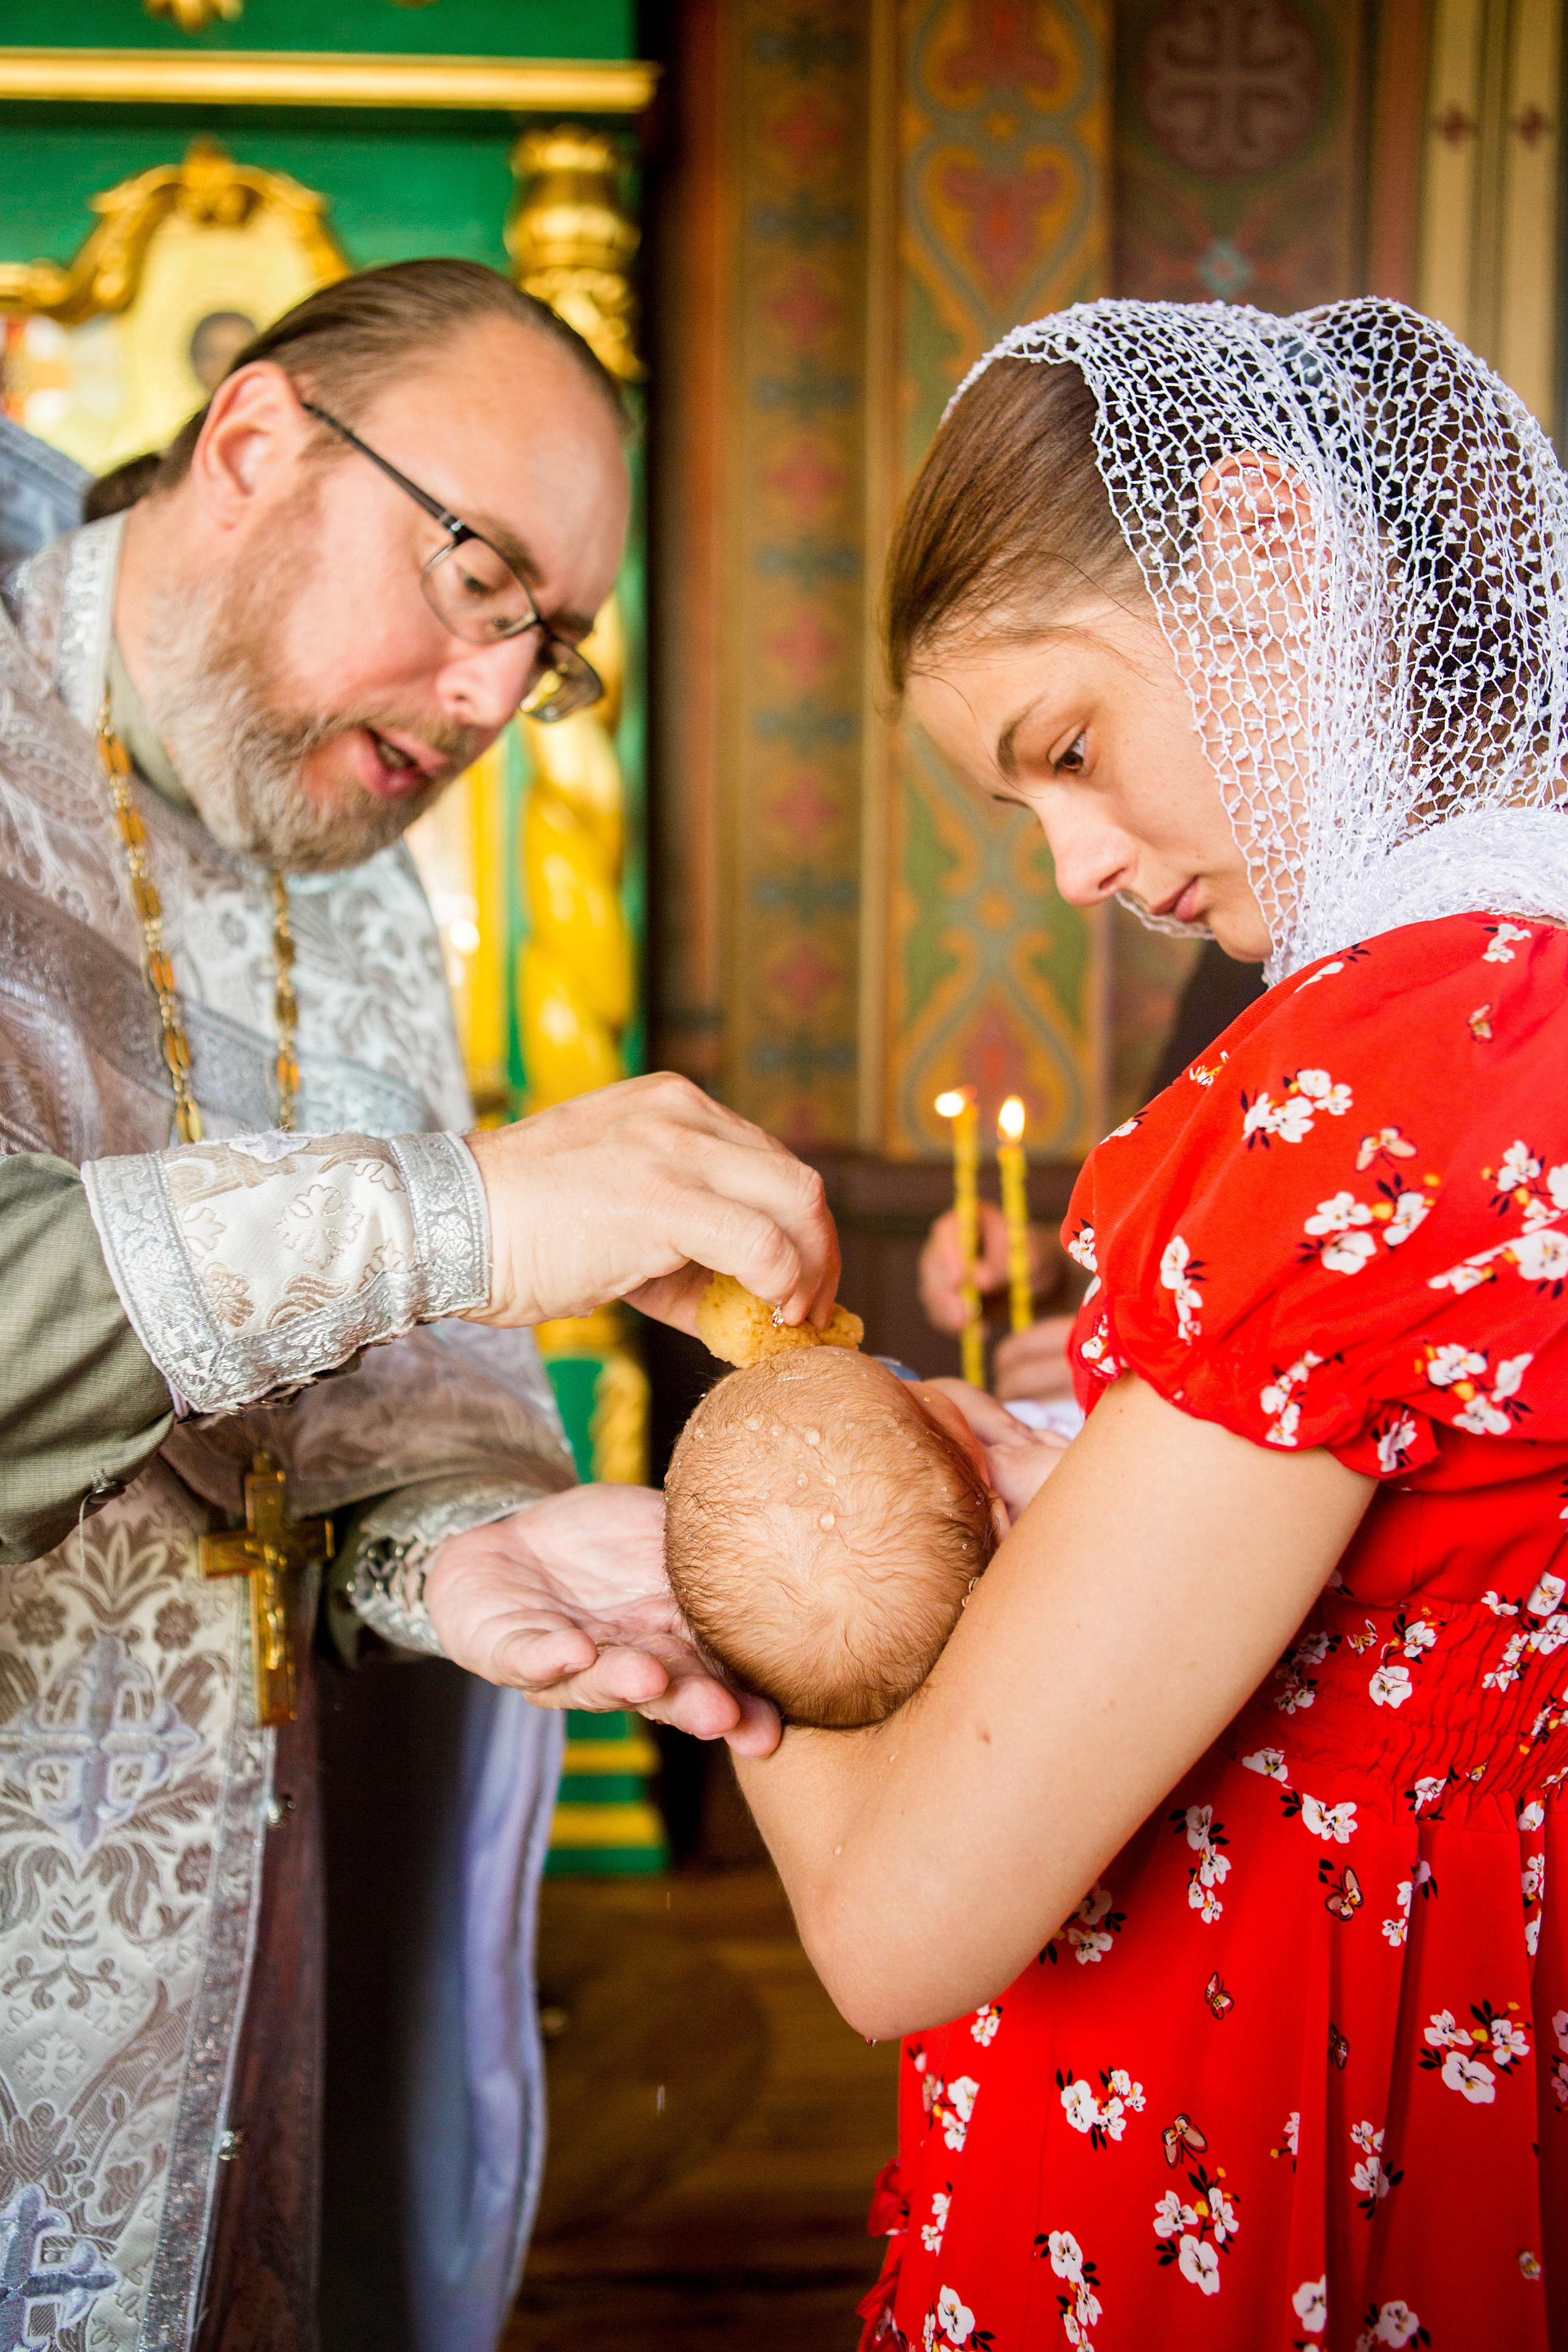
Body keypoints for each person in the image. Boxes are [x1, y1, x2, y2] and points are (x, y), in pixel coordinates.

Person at [0, 260, 835, 2351]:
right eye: (475, 581)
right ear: (258, 441)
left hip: (244, 1968)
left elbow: (346, 1432)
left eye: (541, 649)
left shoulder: (370, 882)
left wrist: (478, 1556)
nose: (488, 702)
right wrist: (458, 1211)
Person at [733, 298, 1568, 2347]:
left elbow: (897, 1923)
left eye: (1070, 751)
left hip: (1261, 2141)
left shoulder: (1387, 1070)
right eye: (1028, 823)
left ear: (1274, 551)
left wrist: (714, 1562)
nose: (1083, 866)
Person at [664, 1348, 1061, 1727]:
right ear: (1001, 1522)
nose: (910, 1381)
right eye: (912, 1394)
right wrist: (1033, 1470)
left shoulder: (947, 1516)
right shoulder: (1044, 1495)